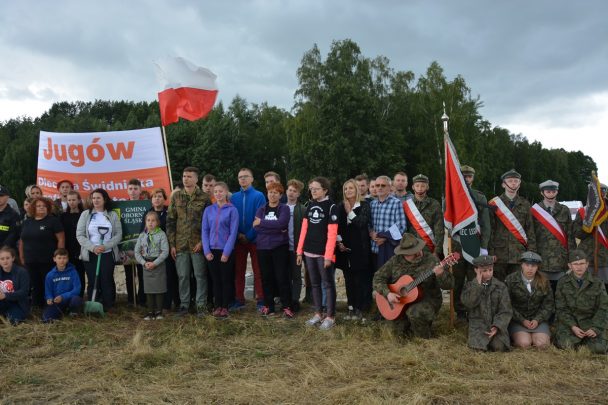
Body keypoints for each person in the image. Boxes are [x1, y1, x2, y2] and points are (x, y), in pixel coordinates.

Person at [373, 233, 454, 338]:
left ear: (417, 251)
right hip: (402, 301)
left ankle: (424, 339)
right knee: (397, 334)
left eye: (408, 254)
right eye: (404, 253)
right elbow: (378, 278)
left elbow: (449, 285)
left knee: (415, 313)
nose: (405, 256)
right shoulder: (395, 260)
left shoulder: (432, 260)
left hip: (427, 299)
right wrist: (388, 294)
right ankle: (410, 326)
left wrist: (441, 274)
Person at [167, 167, 211, 317]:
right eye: (184, 176)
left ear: (196, 179)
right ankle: (184, 305)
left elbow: (209, 223)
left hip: (198, 244)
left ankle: (201, 305)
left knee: (200, 276)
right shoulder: (176, 196)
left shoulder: (204, 198)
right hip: (180, 245)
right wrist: (172, 244)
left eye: (189, 176)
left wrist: (203, 242)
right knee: (183, 276)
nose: (186, 179)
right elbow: (171, 221)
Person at [297, 177, 338, 330]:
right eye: (311, 189)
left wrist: (328, 256)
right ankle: (318, 313)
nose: (313, 191)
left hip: (324, 254)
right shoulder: (310, 205)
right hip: (309, 252)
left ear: (325, 190)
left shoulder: (332, 206)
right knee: (314, 284)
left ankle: (330, 316)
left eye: (316, 189)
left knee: (328, 284)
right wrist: (299, 251)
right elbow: (304, 230)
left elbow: (332, 234)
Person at [452, 165, 492, 320]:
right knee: (457, 280)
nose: (466, 179)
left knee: (474, 279)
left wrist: (484, 247)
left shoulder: (479, 197)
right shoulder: (451, 197)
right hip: (457, 245)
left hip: (475, 245)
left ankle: (473, 310)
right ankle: (459, 310)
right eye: (464, 176)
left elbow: (486, 224)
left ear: (473, 179)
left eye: (469, 176)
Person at [76, 188, 122, 312]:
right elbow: (80, 235)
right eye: (93, 198)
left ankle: (108, 305)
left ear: (104, 199)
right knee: (92, 280)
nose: (95, 200)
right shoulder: (86, 214)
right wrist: (93, 247)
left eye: (98, 198)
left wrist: (105, 246)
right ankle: (93, 304)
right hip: (90, 253)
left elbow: (118, 234)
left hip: (107, 253)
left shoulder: (112, 215)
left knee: (107, 279)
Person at [554, 250, 608, 354]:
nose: (579, 267)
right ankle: (577, 340)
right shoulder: (562, 282)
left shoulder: (597, 282)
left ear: (587, 264)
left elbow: (604, 307)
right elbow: (561, 308)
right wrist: (573, 326)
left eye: (582, 263)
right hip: (570, 324)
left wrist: (595, 328)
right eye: (575, 264)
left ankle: (589, 341)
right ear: (570, 266)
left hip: (591, 322)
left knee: (599, 349)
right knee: (566, 345)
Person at [254, 182, 294, 318]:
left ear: (280, 195)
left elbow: (282, 223)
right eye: (270, 192)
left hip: (279, 247)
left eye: (276, 192)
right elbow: (256, 227)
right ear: (267, 194)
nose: (272, 195)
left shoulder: (284, 208)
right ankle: (268, 306)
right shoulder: (261, 209)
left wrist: (263, 223)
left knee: (282, 277)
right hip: (263, 248)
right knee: (266, 277)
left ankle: (287, 306)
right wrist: (276, 228)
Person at [488, 169, 536, 281]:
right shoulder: (494, 204)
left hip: (519, 254)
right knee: (498, 285)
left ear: (519, 184)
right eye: (510, 181)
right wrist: (490, 252)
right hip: (499, 254)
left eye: (516, 181)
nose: (513, 183)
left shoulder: (525, 204)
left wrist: (531, 252)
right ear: (503, 184)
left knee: (517, 285)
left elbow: (530, 230)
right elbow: (490, 230)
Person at [230, 168, 266, 310]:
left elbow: (260, 218)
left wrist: (249, 235)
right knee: (239, 270)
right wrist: (238, 235)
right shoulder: (234, 197)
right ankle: (239, 299)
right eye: (240, 177)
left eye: (246, 176)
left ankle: (261, 299)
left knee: (258, 270)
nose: (243, 179)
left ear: (252, 179)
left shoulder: (259, 196)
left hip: (255, 238)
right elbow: (232, 218)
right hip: (239, 239)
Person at [19, 197, 65, 308]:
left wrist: (59, 256)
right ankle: (36, 307)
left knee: (48, 284)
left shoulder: (53, 221)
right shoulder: (26, 222)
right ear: (33, 208)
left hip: (47, 260)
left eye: (44, 206)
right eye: (38, 206)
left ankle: (50, 307)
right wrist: (21, 256)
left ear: (48, 208)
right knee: (34, 284)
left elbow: (61, 239)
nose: (41, 208)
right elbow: (21, 241)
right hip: (30, 260)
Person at [336, 179, 372, 321]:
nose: (348, 191)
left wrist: (350, 212)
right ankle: (350, 307)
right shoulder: (340, 205)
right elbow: (337, 226)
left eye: (351, 188)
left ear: (356, 189)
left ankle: (360, 308)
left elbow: (361, 223)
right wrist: (339, 243)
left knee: (360, 279)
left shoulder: (364, 205)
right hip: (345, 248)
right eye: (346, 189)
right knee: (348, 279)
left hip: (360, 248)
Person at [202, 182, 238, 319]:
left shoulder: (232, 210)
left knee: (226, 279)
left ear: (226, 192)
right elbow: (205, 231)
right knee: (215, 280)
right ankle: (217, 306)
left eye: (221, 191)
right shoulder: (208, 210)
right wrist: (206, 251)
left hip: (225, 250)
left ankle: (225, 306)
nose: (218, 194)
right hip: (212, 250)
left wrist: (226, 252)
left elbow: (233, 233)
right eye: (216, 191)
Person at [461, 255, 512, 352]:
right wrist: (477, 286)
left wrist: (497, 326)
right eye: (484, 271)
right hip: (478, 326)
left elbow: (506, 310)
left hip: (495, 325)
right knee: (478, 349)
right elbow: (469, 303)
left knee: (499, 347)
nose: (488, 273)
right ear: (476, 270)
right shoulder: (469, 286)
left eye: (490, 270)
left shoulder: (501, 287)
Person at [531, 180, 575, 293]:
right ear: (542, 193)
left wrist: (572, 258)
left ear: (557, 192)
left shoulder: (564, 210)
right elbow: (531, 236)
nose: (551, 194)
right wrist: (533, 257)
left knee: (560, 292)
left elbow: (570, 236)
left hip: (561, 259)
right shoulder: (534, 210)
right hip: (542, 259)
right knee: (542, 292)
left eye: (553, 191)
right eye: (548, 191)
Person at [505, 251, 553, 349]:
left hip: (538, 320)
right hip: (518, 320)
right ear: (522, 265)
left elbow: (548, 304)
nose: (530, 268)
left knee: (542, 344)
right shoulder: (511, 279)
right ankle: (522, 336)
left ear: (537, 267)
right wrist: (522, 320)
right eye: (527, 265)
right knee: (524, 343)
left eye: (533, 266)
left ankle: (536, 335)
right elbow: (507, 304)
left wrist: (537, 319)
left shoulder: (544, 280)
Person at [145, 188, 180, 312]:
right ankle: (158, 304)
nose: (157, 199)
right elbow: (143, 232)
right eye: (154, 196)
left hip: (168, 250)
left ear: (165, 199)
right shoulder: (148, 213)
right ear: (151, 199)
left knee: (170, 276)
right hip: (153, 253)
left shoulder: (169, 212)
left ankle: (172, 303)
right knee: (157, 278)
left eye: (159, 196)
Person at [134, 211, 170, 320]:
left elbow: (165, 251)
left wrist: (155, 263)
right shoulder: (142, 236)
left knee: (159, 288)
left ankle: (158, 312)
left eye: (153, 220)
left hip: (158, 264)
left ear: (158, 222)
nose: (150, 223)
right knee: (148, 289)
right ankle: (150, 312)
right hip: (146, 265)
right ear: (145, 222)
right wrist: (144, 263)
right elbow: (136, 252)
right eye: (148, 220)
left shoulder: (161, 234)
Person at [573, 183, 608, 290]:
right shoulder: (582, 212)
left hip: (605, 257)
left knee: (604, 288)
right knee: (586, 288)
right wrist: (589, 226)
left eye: (602, 192)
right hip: (586, 256)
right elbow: (577, 233)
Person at [369, 175, 407, 269]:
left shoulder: (396, 203)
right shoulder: (372, 204)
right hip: (373, 249)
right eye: (377, 185)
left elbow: (401, 227)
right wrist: (371, 233)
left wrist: (385, 238)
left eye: (383, 185)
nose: (380, 187)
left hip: (389, 250)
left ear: (389, 187)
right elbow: (369, 224)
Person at [403, 174, 444, 258]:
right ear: (413, 187)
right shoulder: (407, 205)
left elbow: (439, 229)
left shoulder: (435, 204)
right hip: (412, 248)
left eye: (423, 186)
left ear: (427, 187)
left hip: (430, 249)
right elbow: (404, 229)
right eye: (417, 185)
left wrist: (437, 251)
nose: (420, 188)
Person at [42, 248, 83, 322]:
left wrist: (63, 297)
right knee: (46, 317)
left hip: (70, 299)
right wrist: (49, 298)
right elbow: (48, 291)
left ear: (67, 259)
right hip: (57, 301)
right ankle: (60, 313)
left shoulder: (73, 272)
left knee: (76, 300)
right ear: (54, 259)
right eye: (59, 258)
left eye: (64, 258)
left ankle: (73, 313)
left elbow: (77, 289)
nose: (62, 260)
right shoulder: (50, 275)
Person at [60, 191, 86, 296]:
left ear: (79, 200)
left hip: (82, 249)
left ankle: (80, 296)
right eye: (69, 200)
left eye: (74, 200)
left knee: (80, 273)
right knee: (69, 274)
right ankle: (69, 296)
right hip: (68, 249)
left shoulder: (84, 215)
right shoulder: (63, 216)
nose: (71, 202)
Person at [286, 179, 306, 312]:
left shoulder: (303, 209)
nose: (291, 193)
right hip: (283, 248)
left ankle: (295, 300)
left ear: (298, 194)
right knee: (285, 275)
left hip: (296, 248)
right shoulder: (281, 207)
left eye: (294, 191)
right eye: (290, 190)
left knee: (296, 275)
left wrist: (301, 249)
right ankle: (286, 299)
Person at [125, 178, 145, 306]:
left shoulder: (146, 205)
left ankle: (142, 299)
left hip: (143, 245)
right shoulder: (123, 206)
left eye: (135, 189)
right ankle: (131, 299)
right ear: (127, 190)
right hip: (127, 245)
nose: (133, 191)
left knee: (142, 273)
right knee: (129, 274)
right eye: (130, 189)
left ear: (140, 190)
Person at [0, 246, 30, 324]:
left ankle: (7, 315)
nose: (5, 261)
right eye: (2, 259)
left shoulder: (22, 272)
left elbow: (24, 292)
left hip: (17, 303)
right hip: (2, 302)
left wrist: (5, 296)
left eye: (7, 258)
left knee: (13, 321)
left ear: (13, 258)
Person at [0, 185, 20, 250]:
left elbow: (14, 235)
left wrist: (2, 249)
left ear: (7, 197)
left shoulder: (13, 215)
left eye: (1, 196)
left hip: (6, 251)